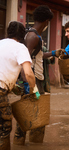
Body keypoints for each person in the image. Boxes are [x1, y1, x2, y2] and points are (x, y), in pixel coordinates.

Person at [13, 5, 60, 145]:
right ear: (47, 21)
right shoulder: (33, 36)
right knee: (36, 109)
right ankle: (27, 141)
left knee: (32, 108)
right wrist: (28, 86)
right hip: (32, 80)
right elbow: (25, 60)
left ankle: (22, 141)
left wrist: (53, 53)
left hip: (34, 79)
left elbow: (37, 55)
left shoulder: (33, 35)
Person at [0, 21, 36, 150]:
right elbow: (28, 74)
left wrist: (12, 86)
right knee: (4, 127)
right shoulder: (20, 48)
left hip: (3, 87)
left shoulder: (0, 43)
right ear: (22, 36)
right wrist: (34, 90)